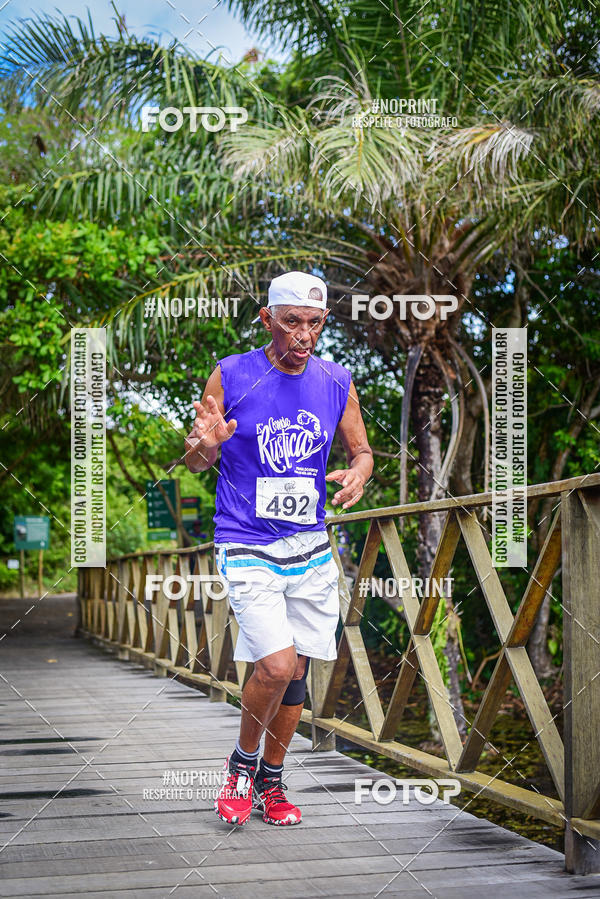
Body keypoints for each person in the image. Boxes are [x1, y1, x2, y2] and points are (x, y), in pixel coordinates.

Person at [184, 271, 373, 827]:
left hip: (310, 546)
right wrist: (206, 448)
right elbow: (196, 457)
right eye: (292, 322)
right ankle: (241, 767)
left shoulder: (337, 380)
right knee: (276, 663)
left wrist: (358, 473)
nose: (303, 335)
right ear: (268, 319)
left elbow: (362, 451)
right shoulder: (231, 372)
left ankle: (272, 780)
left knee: (296, 675)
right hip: (246, 541)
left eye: (314, 324)